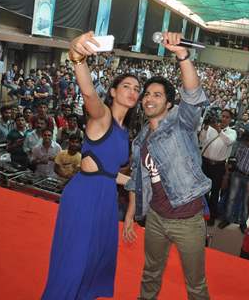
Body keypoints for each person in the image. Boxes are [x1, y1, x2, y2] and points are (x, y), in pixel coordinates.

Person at [42, 31, 140, 299]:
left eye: (136, 89)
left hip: (107, 199)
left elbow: (110, 174)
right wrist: (77, 59)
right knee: (73, 262)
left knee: (96, 261)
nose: (132, 92)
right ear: (113, 91)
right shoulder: (103, 116)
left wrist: (137, 187)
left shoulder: (123, 132)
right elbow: (88, 94)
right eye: (126, 86)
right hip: (84, 197)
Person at [124, 32, 211, 299]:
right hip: (156, 219)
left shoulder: (181, 124)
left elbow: (194, 96)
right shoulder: (139, 139)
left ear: (169, 103)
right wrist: (131, 213)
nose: (149, 98)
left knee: (195, 285)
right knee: (150, 273)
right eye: (147, 94)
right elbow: (137, 179)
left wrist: (181, 55)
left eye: (158, 95)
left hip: (188, 221)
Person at [199, 108, 237, 226]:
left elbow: (229, 141)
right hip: (205, 163)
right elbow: (201, 140)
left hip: (219, 166)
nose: (224, 119)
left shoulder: (231, 132)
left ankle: (211, 215)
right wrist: (205, 128)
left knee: (215, 191)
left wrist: (219, 130)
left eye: (227, 117)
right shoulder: (210, 128)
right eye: (222, 116)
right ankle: (200, 213)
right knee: (202, 190)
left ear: (230, 119)